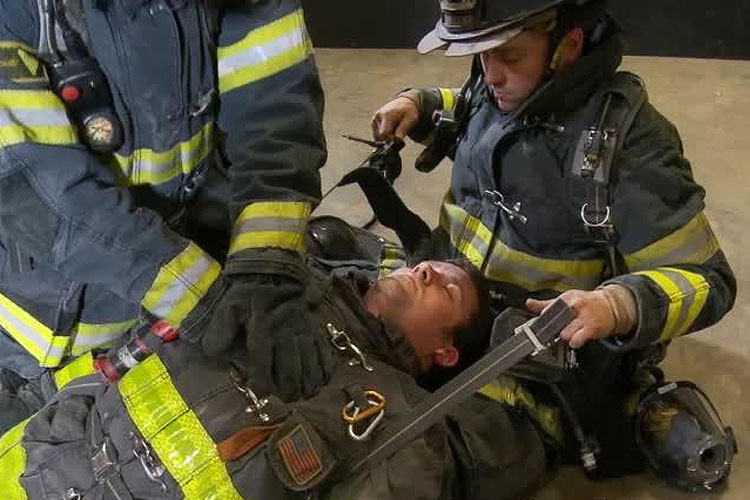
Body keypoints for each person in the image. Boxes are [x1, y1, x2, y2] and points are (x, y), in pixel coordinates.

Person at [371, 0, 736, 479]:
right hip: (451, 307)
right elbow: (470, 106)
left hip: (539, 356)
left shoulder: (631, 146)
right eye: (481, 57)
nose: (492, 75)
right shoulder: (504, 85)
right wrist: (419, 104)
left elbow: (710, 280)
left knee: (436, 464)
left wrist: (616, 307)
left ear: (569, 45)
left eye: (511, 56)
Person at [0, 0, 326, 431]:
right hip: (27, 339)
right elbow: (40, 196)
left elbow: (275, 124)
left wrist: (265, 267)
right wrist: (204, 297)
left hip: (159, 324)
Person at [0, 249, 547, 500]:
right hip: (30, 460)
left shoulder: (403, 431)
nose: (423, 270)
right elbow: (123, 357)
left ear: (448, 353)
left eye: (445, 288)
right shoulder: (276, 283)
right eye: (424, 264)